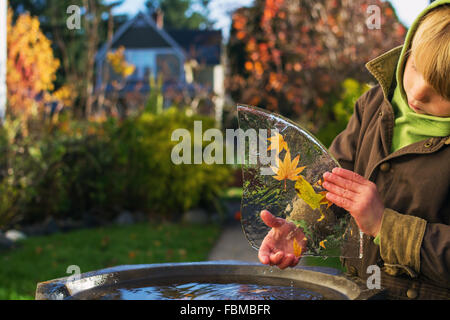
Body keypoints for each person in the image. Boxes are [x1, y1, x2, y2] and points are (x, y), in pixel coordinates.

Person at [258, 0, 450, 299]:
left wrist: (385, 224)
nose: (417, 91)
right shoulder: (374, 105)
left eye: (442, 90)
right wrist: (301, 225)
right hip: (357, 290)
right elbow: (332, 175)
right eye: (415, 66)